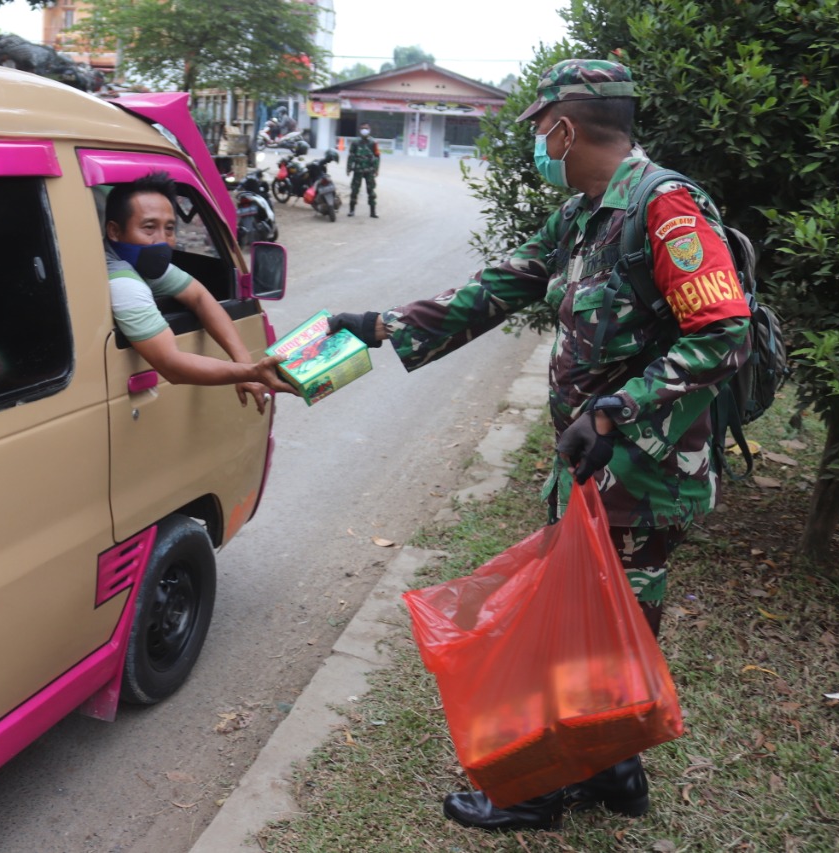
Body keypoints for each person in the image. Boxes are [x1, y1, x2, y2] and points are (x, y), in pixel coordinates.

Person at [328, 59, 752, 830]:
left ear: (564, 125)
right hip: (597, 466)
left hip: (645, 467)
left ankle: (544, 786)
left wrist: (618, 408)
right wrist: (386, 324)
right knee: (606, 619)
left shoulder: (666, 210)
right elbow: (503, 283)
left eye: (539, 129)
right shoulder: (588, 212)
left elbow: (724, 332)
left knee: (591, 627)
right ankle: (614, 770)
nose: (537, 144)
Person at [105, 171, 295, 412]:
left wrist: (243, 362)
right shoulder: (122, 282)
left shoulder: (140, 259)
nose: (162, 240)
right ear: (114, 231)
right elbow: (170, 364)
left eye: (170, 228)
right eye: (149, 227)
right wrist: (252, 372)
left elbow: (199, 297)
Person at [346, 122, 380, 218]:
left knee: (371, 191)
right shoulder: (355, 142)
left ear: (369, 130)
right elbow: (351, 156)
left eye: (366, 128)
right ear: (360, 130)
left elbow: (377, 156)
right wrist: (348, 168)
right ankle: (351, 210)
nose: (364, 130)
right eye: (362, 128)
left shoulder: (373, 143)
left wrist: (376, 169)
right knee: (354, 190)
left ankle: (373, 212)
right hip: (358, 170)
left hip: (369, 170)